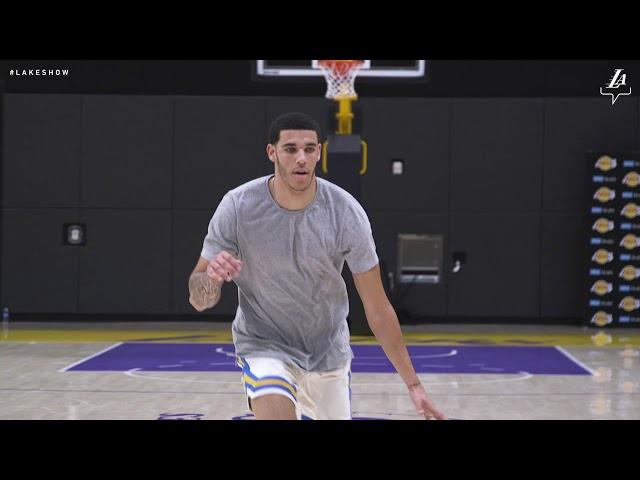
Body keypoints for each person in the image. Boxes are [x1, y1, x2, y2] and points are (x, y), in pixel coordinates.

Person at [188, 112, 445, 420]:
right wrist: (212, 280)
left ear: (319, 153)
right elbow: (199, 298)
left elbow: (377, 308)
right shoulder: (238, 206)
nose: (301, 158)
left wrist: (414, 385)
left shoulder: (345, 211)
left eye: (309, 149)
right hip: (264, 344)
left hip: (328, 352)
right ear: (272, 152)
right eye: (290, 148)